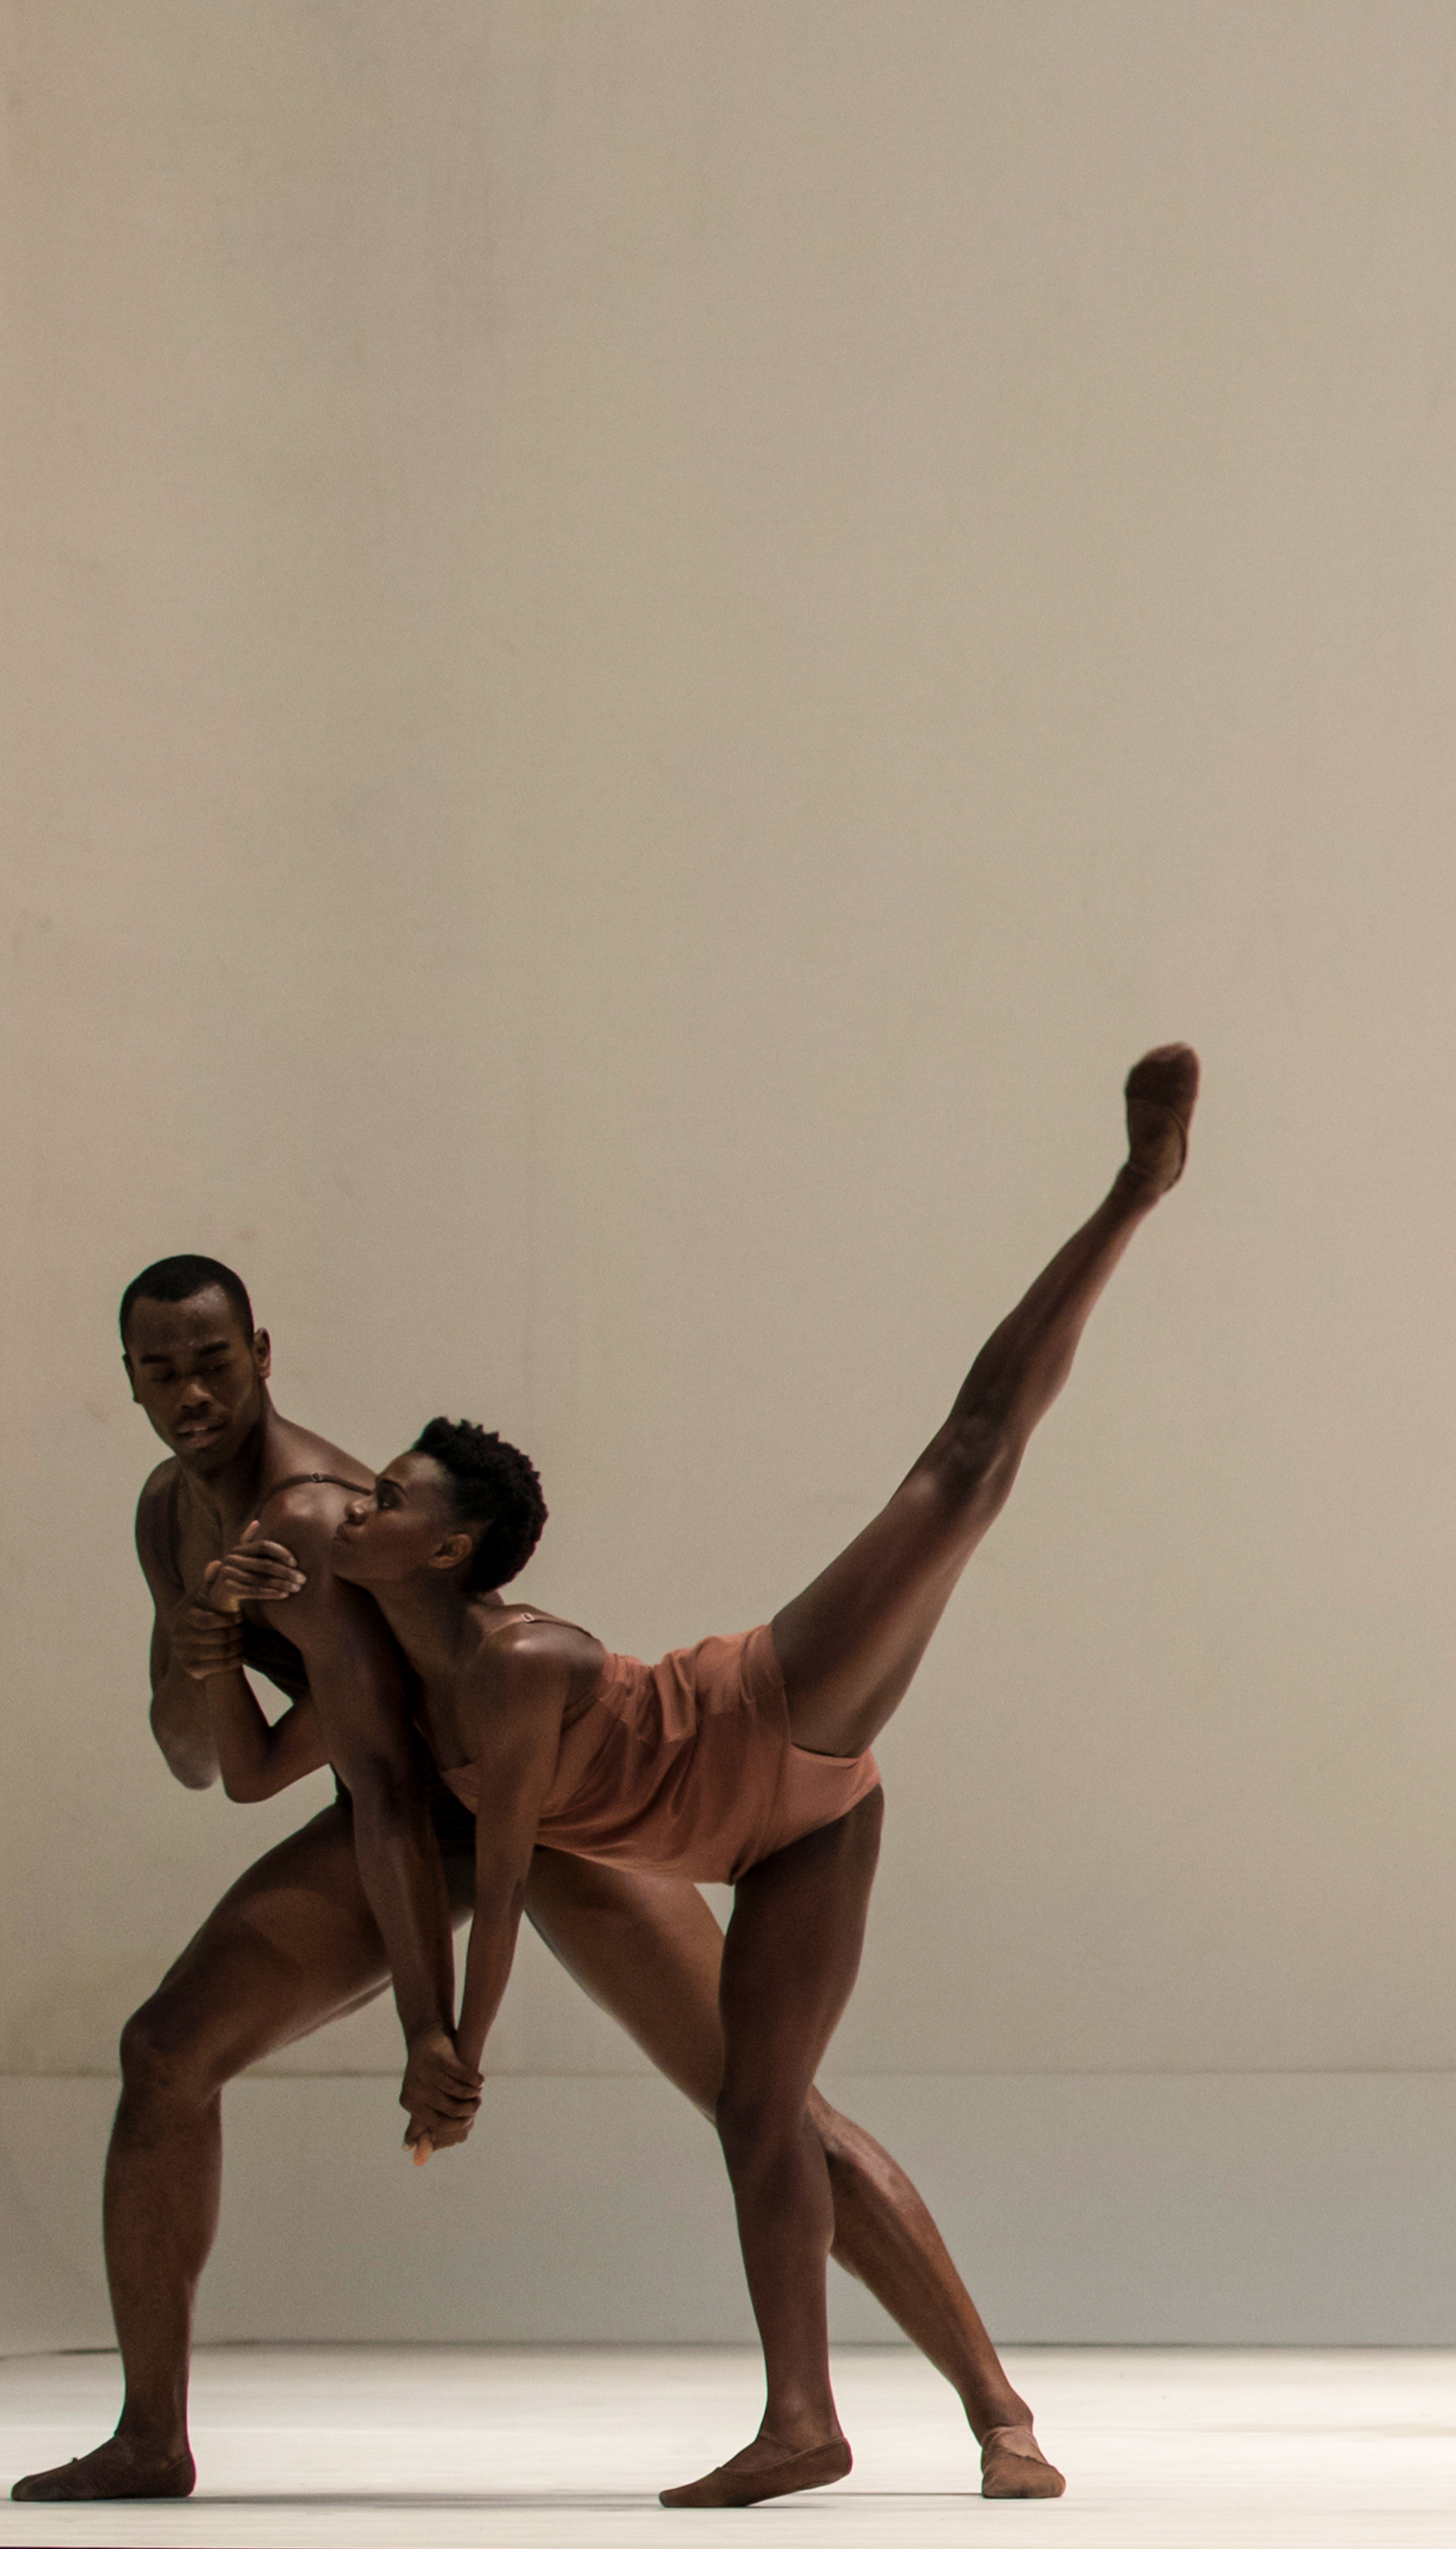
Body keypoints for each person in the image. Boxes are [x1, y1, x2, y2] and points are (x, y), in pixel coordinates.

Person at [312, 1046, 1192, 2506]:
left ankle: (1130, 1192)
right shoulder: (377, 1666)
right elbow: (299, 1766)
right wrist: (220, 1623)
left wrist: (456, 2053)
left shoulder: (520, 1659)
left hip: (765, 1724)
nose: (359, 1500)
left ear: (452, 1544)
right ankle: (824, 2421)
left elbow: (515, 1870)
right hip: (765, 1849)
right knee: (762, 2110)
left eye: (390, 1494)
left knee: (962, 1472)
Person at [18, 1259, 1049, 2507]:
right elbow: (214, 1760)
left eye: (213, 1362)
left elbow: (394, 1787)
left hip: (528, 1807)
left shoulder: (308, 1510)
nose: (190, 1392)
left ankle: (999, 2408)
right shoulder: (166, 1516)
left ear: (263, 1352)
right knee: (164, 2054)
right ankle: (150, 2434)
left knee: (762, 2102)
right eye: (161, 1368)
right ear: (125, 1375)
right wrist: (202, 1653)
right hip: (400, 1806)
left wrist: (430, 2022)